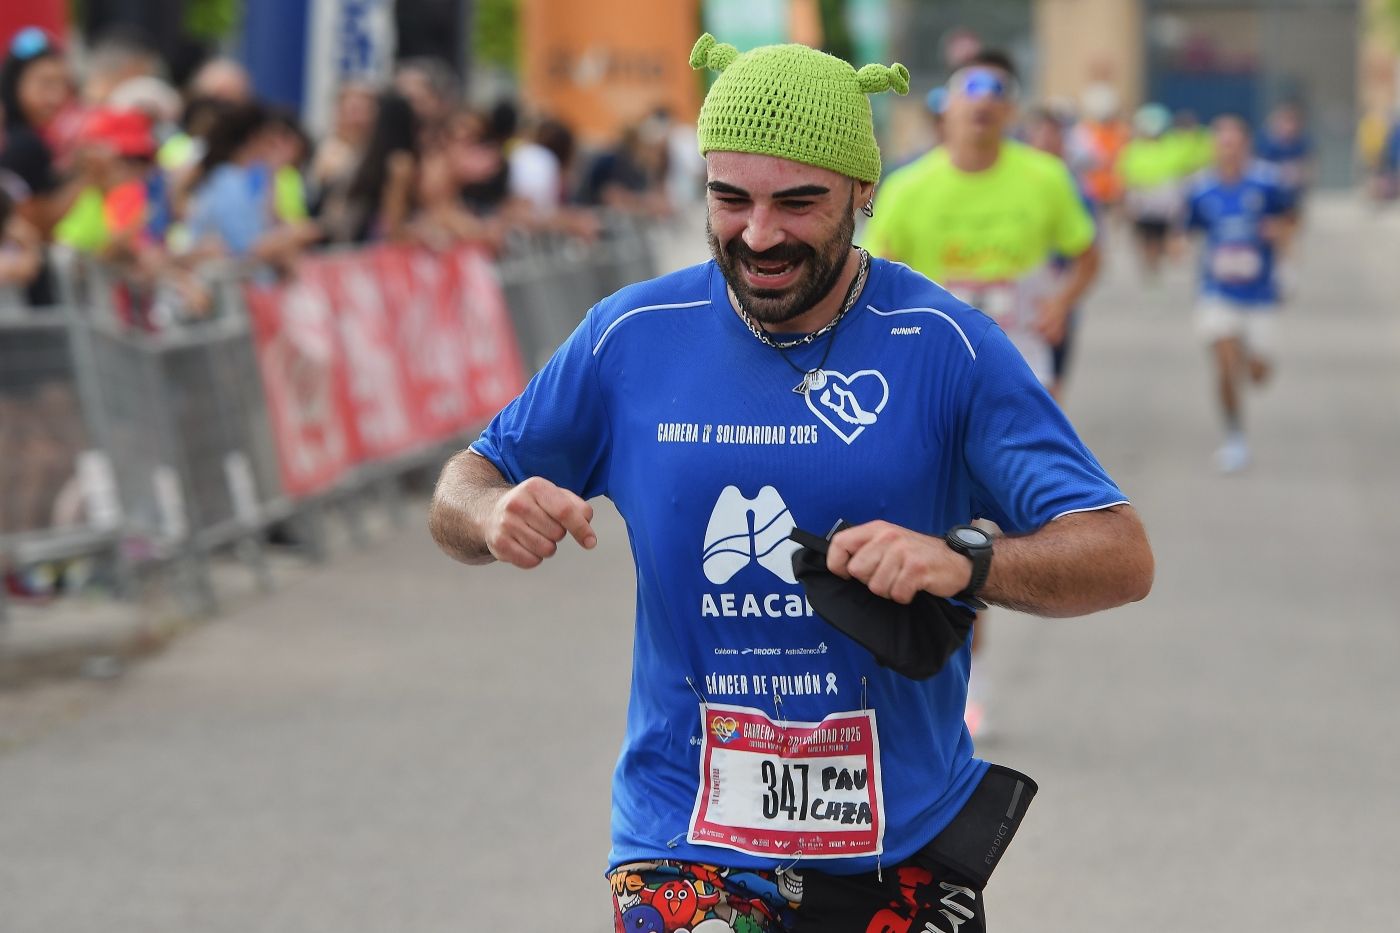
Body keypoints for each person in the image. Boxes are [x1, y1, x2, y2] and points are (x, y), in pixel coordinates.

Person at [429, 34, 1152, 932]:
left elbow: (1121, 553)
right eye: (730, 199)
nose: (759, 234)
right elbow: (464, 480)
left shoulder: (948, 347)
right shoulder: (631, 337)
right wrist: (492, 508)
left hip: (904, 837)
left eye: (798, 202)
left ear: (863, 190)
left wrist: (965, 559)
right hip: (683, 834)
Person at [864, 49, 1100, 392]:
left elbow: (1088, 256)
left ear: (1011, 111)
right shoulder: (906, 187)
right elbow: (876, 271)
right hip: (935, 353)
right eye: (972, 87)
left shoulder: (1048, 177)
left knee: (1033, 445)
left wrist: (1061, 304)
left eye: (998, 90)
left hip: (1023, 349)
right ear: (947, 105)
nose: (985, 99)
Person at [1183, 115, 1293, 474]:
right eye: (1221, 142)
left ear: (1246, 144)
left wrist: (1280, 231)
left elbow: (1292, 218)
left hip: (1260, 292)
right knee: (1226, 363)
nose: (1227, 149)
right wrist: (1175, 245)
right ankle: (1235, 436)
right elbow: (1188, 228)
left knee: (1256, 373)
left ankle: (1255, 358)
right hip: (1217, 291)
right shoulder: (1201, 188)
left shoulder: (1268, 182)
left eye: (1233, 142)